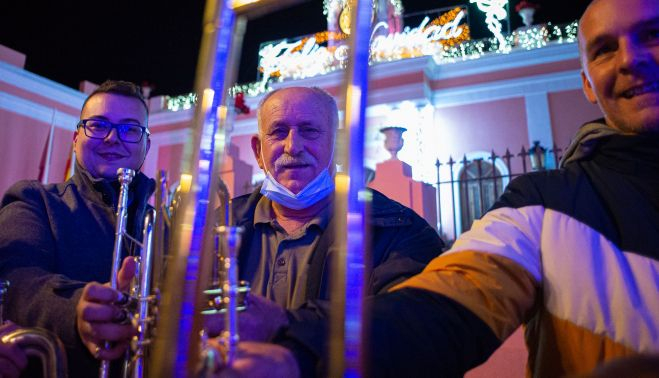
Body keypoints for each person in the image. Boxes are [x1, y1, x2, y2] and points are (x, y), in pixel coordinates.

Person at [218, 0, 659, 376]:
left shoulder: (397, 226)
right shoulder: (544, 205)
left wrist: (293, 337)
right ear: (586, 81)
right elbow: (437, 309)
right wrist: (302, 348)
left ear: (334, 143)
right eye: (604, 49)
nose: (629, 60)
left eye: (652, 34)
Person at [210, 86, 444, 376]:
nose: (292, 146)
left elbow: (416, 335)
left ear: (339, 145)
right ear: (258, 151)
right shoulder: (215, 230)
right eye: (279, 132)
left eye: (309, 131)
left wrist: (289, 328)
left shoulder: (398, 231)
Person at [0, 80, 153, 377]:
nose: (112, 138)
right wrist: (75, 309)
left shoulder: (164, 225)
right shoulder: (34, 200)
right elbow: (15, 279)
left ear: (146, 144)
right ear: (75, 138)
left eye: (130, 129)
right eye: (98, 125)